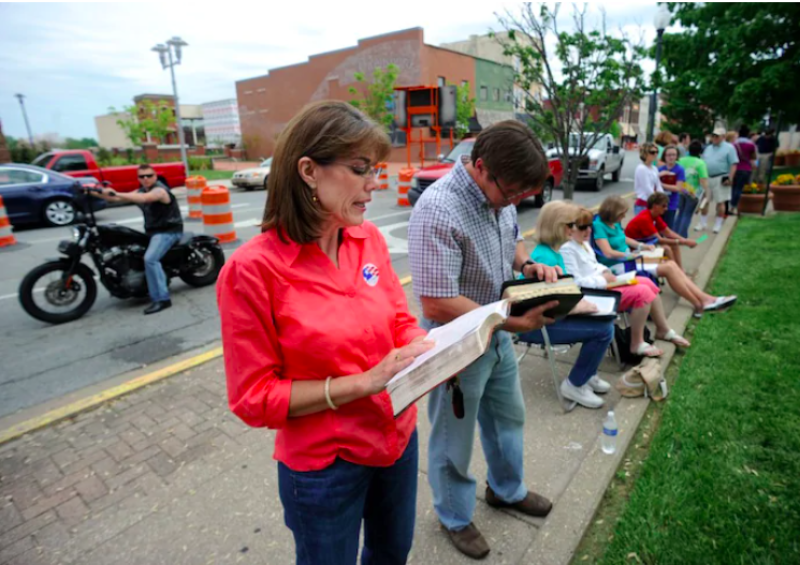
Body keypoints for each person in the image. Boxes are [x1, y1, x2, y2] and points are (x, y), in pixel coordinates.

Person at [216, 101, 435, 565]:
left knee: (393, 551)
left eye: (374, 169)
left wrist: (429, 350)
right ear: (309, 170)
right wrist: (363, 383)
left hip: (396, 434)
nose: (373, 184)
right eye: (360, 170)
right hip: (325, 465)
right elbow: (253, 398)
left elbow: (399, 319)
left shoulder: (367, 239)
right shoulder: (252, 271)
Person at [408, 121, 560, 560]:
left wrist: (530, 266)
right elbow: (436, 303)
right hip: (458, 344)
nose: (514, 202)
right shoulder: (438, 209)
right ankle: (454, 515)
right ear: (480, 168)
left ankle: (506, 490)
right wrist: (510, 323)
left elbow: (512, 240)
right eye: (510, 194)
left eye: (521, 197)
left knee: (508, 419)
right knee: (453, 438)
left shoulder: (502, 194)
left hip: (495, 333)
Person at [516, 201, 616, 406]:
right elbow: (547, 302)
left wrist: (580, 304)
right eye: (570, 224)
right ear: (557, 226)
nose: (574, 229)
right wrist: (579, 306)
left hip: (548, 318)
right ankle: (575, 384)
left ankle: (587, 374)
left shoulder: (553, 251)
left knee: (605, 323)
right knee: (604, 329)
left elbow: (562, 293)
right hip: (535, 325)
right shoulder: (545, 256)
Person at [561, 205, 691, 358]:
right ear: (569, 229)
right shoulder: (567, 249)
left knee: (646, 282)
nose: (588, 231)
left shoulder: (583, 244)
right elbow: (576, 283)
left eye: (589, 227)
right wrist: (602, 279)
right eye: (583, 228)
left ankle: (663, 329)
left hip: (603, 285)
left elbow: (594, 264)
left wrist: (604, 270)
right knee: (642, 292)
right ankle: (636, 343)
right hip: (593, 294)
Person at [594, 195, 736, 318]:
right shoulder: (599, 225)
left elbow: (624, 239)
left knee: (672, 265)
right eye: (622, 214)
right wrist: (631, 254)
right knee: (669, 268)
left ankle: (706, 299)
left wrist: (641, 246)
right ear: (613, 212)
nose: (624, 217)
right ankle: (699, 302)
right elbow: (608, 253)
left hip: (630, 259)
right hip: (618, 266)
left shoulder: (614, 223)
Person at [93, 164, 183, 314]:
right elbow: (115, 198)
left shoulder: (160, 190)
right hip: (152, 232)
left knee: (150, 259)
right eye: (142, 176)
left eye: (149, 175)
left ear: (155, 176)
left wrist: (118, 193)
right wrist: (93, 192)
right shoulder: (141, 190)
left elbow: (145, 198)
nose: (146, 179)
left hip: (168, 232)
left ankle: (162, 298)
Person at [696, 127, 739, 233]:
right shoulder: (708, 148)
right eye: (713, 135)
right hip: (707, 177)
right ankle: (702, 223)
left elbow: (733, 164)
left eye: (717, 136)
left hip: (721, 177)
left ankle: (718, 224)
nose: (714, 138)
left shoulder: (729, 148)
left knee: (720, 202)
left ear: (723, 137)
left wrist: (730, 178)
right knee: (705, 201)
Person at [676, 140, 709, 238]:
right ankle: (682, 236)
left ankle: (674, 234)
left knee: (680, 212)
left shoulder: (681, 160)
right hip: (693, 192)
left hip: (681, 188)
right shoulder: (700, 163)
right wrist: (706, 193)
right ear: (700, 152)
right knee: (687, 214)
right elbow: (703, 180)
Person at [657, 145, 686, 230]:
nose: (671, 157)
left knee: (668, 228)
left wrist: (661, 185)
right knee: (657, 228)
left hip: (671, 203)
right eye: (669, 155)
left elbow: (678, 188)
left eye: (673, 155)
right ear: (664, 156)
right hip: (659, 202)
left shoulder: (680, 169)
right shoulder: (660, 169)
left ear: (677, 156)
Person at [731, 125, 757, 215]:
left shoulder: (733, 144)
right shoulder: (751, 145)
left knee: (733, 188)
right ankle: (733, 206)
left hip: (734, 169)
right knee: (739, 188)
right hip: (746, 168)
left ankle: (732, 205)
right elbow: (753, 157)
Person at [634, 142, 663, 215]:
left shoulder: (654, 168)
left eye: (657, 152)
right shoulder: (641, 168)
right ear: (645, 153)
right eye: (652, 152)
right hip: (643, 204)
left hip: (652, 203)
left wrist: (663, 197)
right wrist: (658, 200)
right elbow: (647, 188)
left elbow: (658, 185)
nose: (655, 154)